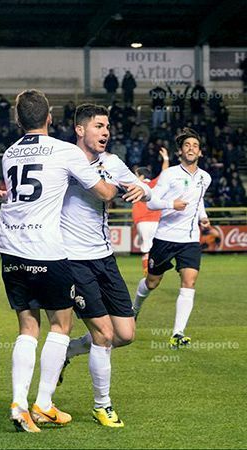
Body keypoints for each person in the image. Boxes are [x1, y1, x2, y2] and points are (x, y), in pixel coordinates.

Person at [0, 91, 121, 432]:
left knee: (27, 327)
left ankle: (19, 403)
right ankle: (43, 403)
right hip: (46, 250)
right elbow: (105, 193)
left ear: (19, 121)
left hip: (10, 249)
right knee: (61, 326)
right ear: (50, 118)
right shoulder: (64, 151)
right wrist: (118, 182)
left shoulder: (9, 152)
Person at [57, 104, 149, 428]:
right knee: (104, 334)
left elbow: (143, 188)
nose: (106, 132)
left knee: (125, 334)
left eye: (107, 126)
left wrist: (141, 188)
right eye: (98, 126)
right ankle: (102, 406)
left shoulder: (111, 162)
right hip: (74, 260)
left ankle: (68, 350)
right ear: (80, 130)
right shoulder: (65, 160)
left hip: (105, 259)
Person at [132, 127, 212, 348]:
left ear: (200, 152)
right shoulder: (169, 175)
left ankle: (178, 333)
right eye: (187, 145)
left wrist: (203, 218)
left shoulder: (205, 177)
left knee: (189, 281)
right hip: (165, 238)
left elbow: (199, 201)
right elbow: (151, 202)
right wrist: (172, 204)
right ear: (180, 151)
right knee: (152, 282)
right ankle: (135, 309)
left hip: (190, 240)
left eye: (195, 146)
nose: (191, 148)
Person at [132, 148, 170, 275]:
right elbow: (165, 172)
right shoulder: (155, 184)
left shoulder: (135, 185)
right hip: (156, 221)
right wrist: (166, 159)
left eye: (137, 174)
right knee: (156, 247)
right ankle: (156, 269)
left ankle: (148, 272)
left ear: (141, 176)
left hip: (143, 221)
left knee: (146, 249)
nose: (135, 176)